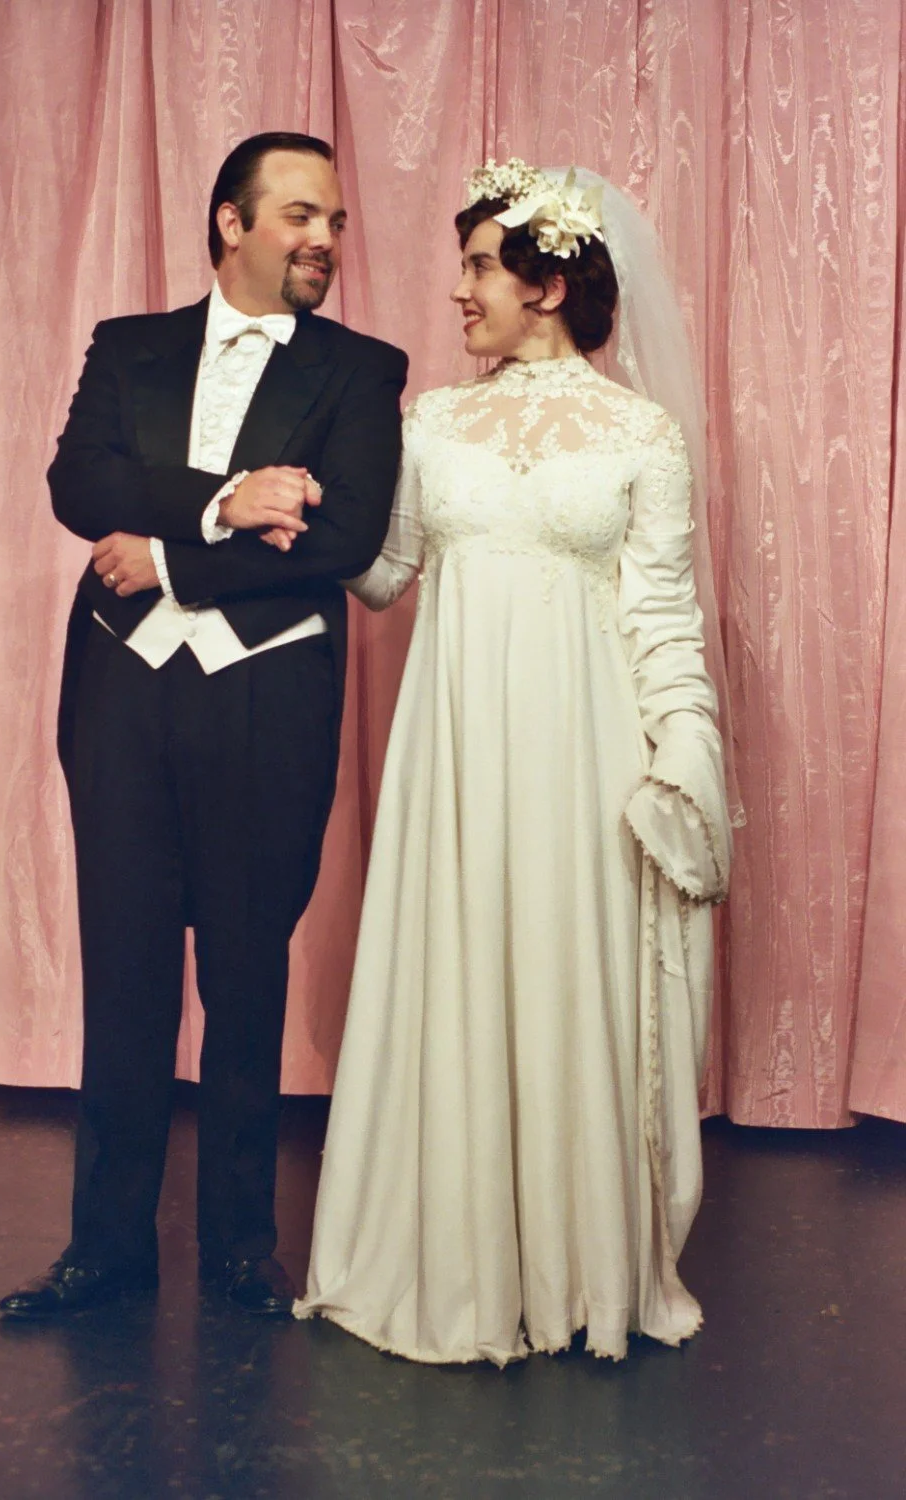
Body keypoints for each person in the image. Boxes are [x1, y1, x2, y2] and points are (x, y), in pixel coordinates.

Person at [293, 161, 735, 1365]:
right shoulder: (432, 422)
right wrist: (288, 500)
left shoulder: (640, 435)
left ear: (547, 286)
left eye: (480, 266)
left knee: (560, 974)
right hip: (455, 755)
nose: (459, 290)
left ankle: (572, 1266)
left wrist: (681, 753)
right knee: (461, 963)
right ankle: (451, 1260)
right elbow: (383, 571)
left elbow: (662, 619)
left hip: (581, 758)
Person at [0, 133, 408, 1321]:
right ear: (232, 221)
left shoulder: (360, 370)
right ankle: (105, 1250)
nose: (325, 239)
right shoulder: (128, 346)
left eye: (334, 220)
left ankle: (239, 1251)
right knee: (124, 975)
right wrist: (228, 502)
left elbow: (343, 540)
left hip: (266, 702)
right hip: (121, 699)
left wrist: (173, 557)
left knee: (245, 976)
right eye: (300, 215)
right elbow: (80, 486)